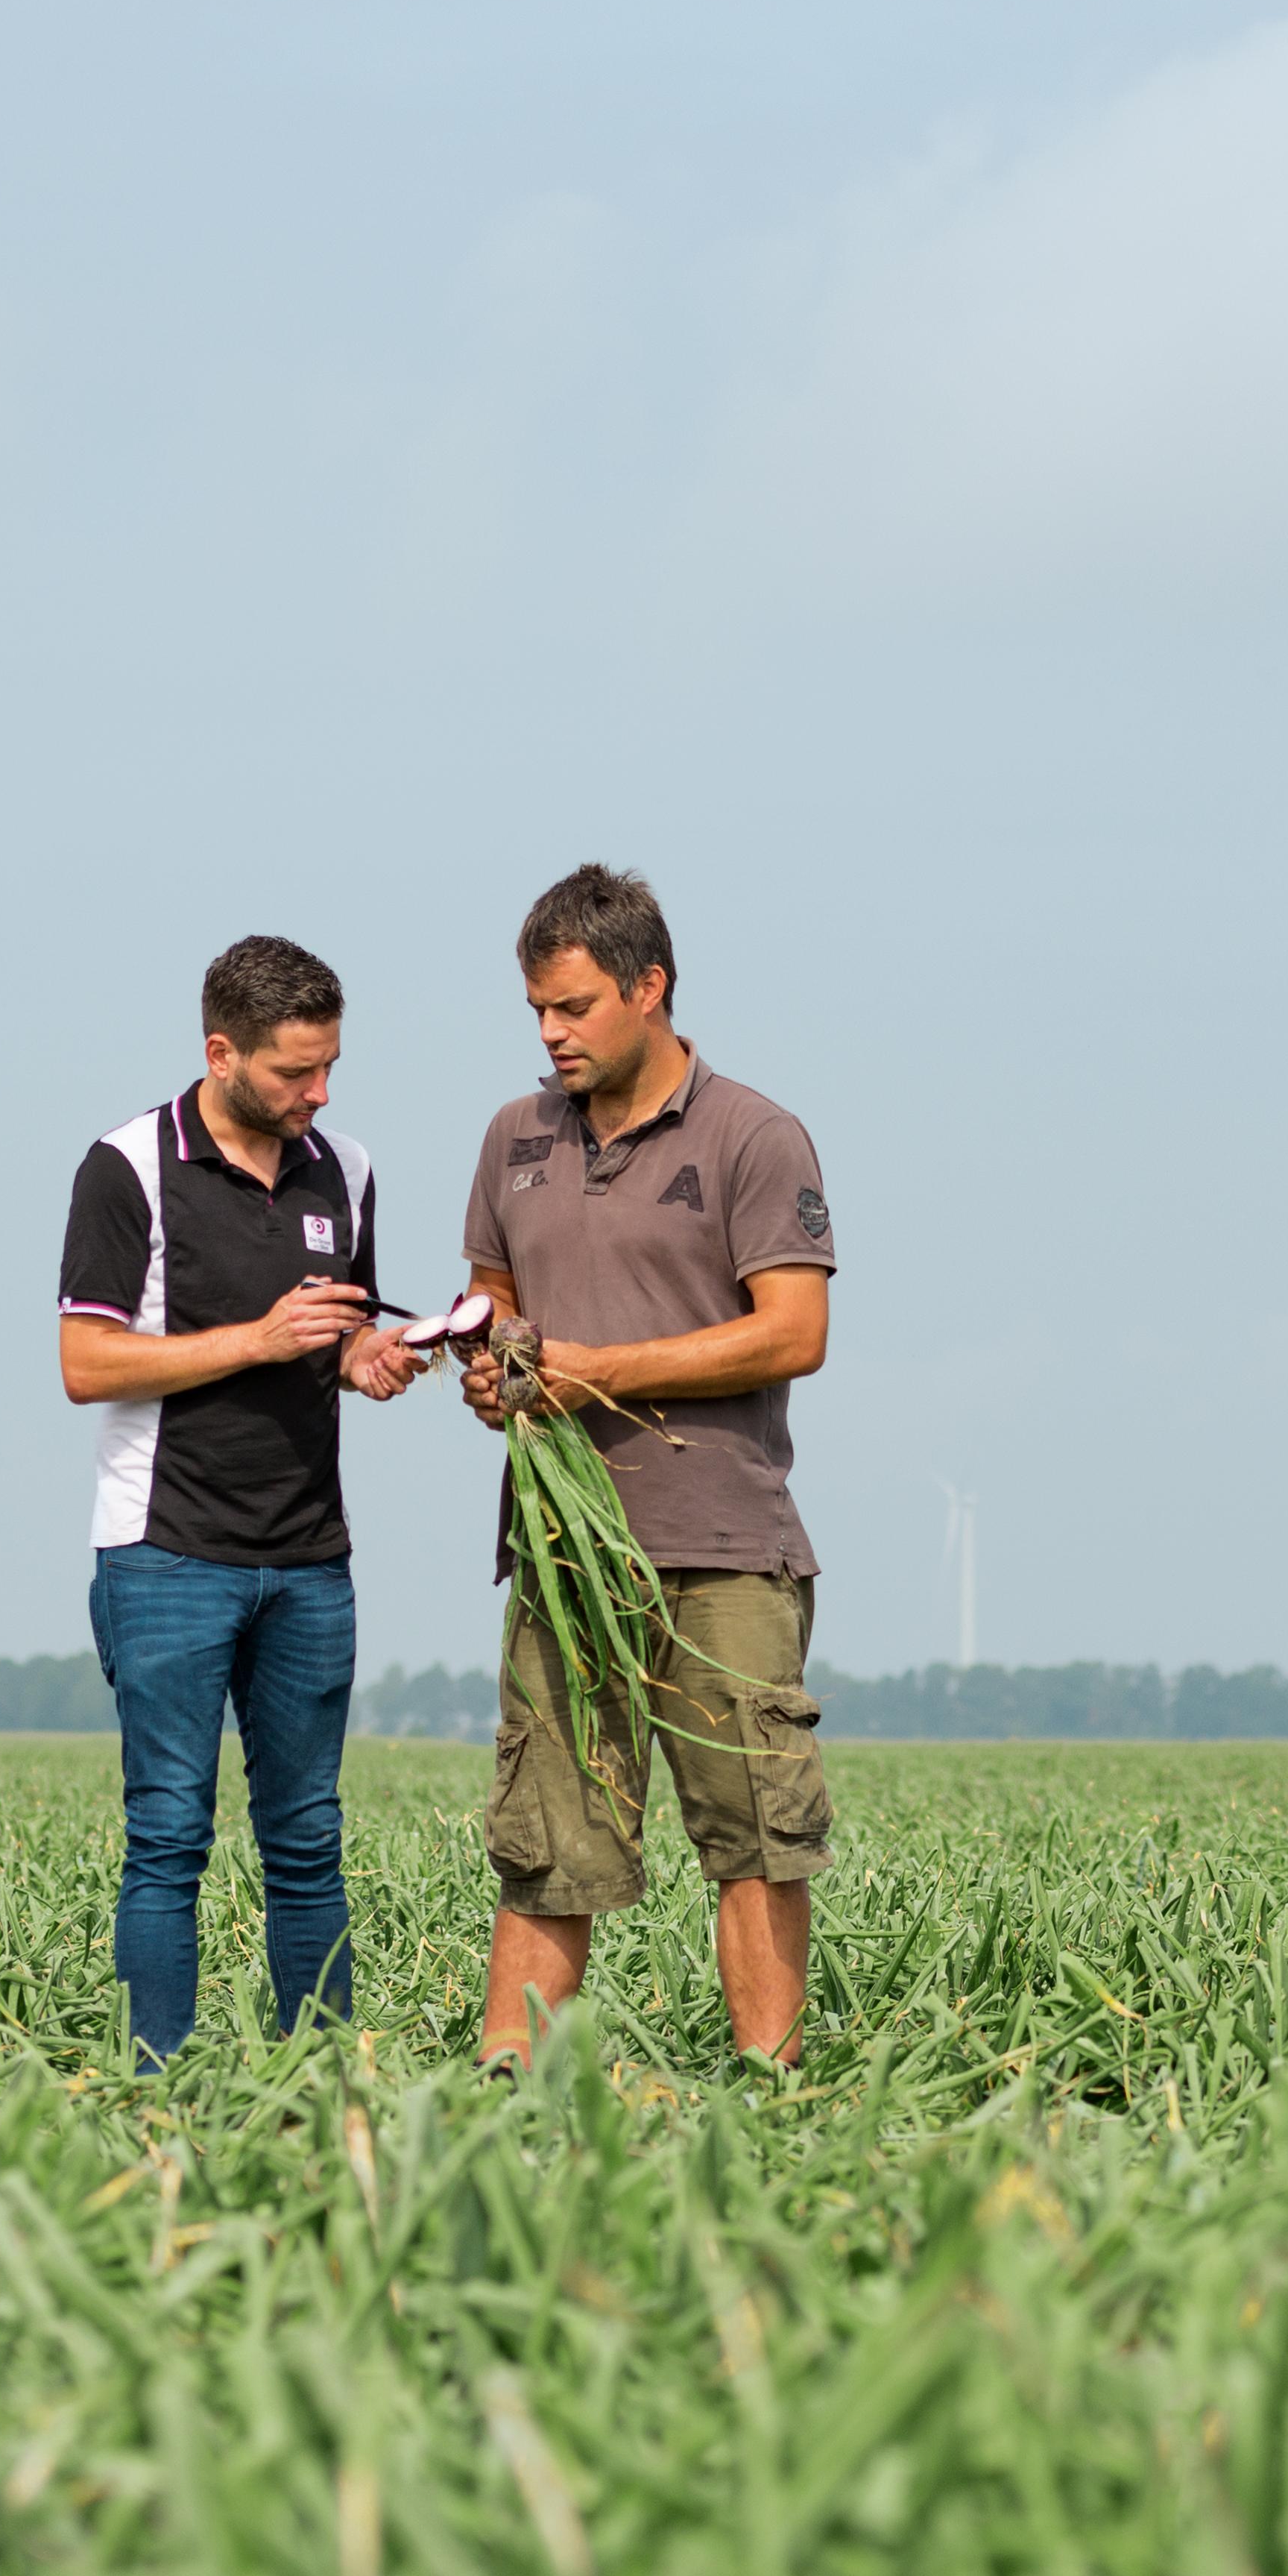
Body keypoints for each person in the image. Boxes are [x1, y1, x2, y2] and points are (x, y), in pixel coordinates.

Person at [452, 863, 837, 2066]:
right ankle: (504, 2102)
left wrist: (599, 1369)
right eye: (536, 1013)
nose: (551, 1034)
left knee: (757, 1834)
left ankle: (766, 2097)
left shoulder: (753, 1136)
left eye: (572, 1008)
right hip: (565, 1556)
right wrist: (489, 1366)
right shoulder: (513, 1138)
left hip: (722, 1547)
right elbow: (492, 1304)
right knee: (545, 1841)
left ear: (649, 987)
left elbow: (794, 1332)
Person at [57, 935, 414, 2062]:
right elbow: (86, 1363)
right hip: (166, 1552)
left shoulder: (344, 1167)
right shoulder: (125, 1166)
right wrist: (259, 1341)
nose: (319, 1094)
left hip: (310, 1556)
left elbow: (343, 1331)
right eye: (294, 1073)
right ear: (221, 1053)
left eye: (330, 1069)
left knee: (309, 1840)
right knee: (168, 1836)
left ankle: (317, 2082)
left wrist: (373, 1355)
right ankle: (152, 2082)